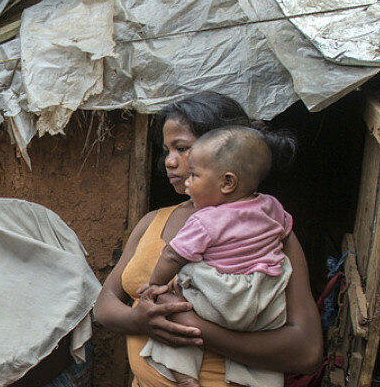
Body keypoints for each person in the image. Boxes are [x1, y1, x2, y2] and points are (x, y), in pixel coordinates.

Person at [92, 92, 323, 386]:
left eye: (182, 148)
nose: (170, 162)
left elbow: (307, 351)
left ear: (226, 158)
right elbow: (104, 304)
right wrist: (139, 321)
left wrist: (193, 328)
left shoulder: (268, 233)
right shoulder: (152, 222)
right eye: (166, 150)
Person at [139, 126, 295, 387]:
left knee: (173, 310)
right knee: (260, 354)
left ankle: (185, 378)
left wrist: (155, 284)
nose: (188, 183)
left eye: (194, 175)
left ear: (227, 182)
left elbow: (172, 255)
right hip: (264, 305)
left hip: (222, 300)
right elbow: (284, 230)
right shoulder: (272, 206)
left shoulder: (205, 220)